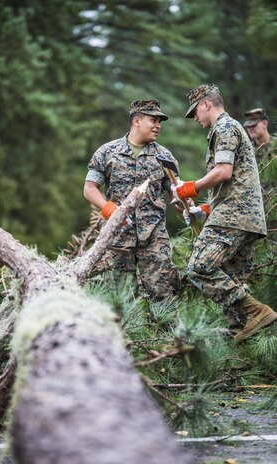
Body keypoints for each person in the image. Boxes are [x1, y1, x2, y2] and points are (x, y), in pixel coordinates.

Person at [171, 83, 277, 342]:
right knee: (233, 281)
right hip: (245, 218)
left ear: (206, 104)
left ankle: (258, 311)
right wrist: (205, 208)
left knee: (199, 268)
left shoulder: (225, 127)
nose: (194, 117)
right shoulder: (228, 128)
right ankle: (244, 343)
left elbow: (223, 172)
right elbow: (237, 180)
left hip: (234, 216)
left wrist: (190, 188)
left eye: (195, 111)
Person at [83, 99, 181, 302]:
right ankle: (124, 334)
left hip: (154, 236)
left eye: (159, 121)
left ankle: (167, 333)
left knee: (162, 293)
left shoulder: (164, 156)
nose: (158, 126)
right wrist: (109, 209)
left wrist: (183, 205)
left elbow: (174, 190)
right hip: (119, 235)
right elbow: (90, 188)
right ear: (137, 121)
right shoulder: (107, 152)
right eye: (153, 120)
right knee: (121, 296)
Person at [243, 108, 276, 233]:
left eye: (253, 125)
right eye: (248, 126)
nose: (250, 129)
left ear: (265, 123)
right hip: (256, 213)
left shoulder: (275, 147)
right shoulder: (246, 152)